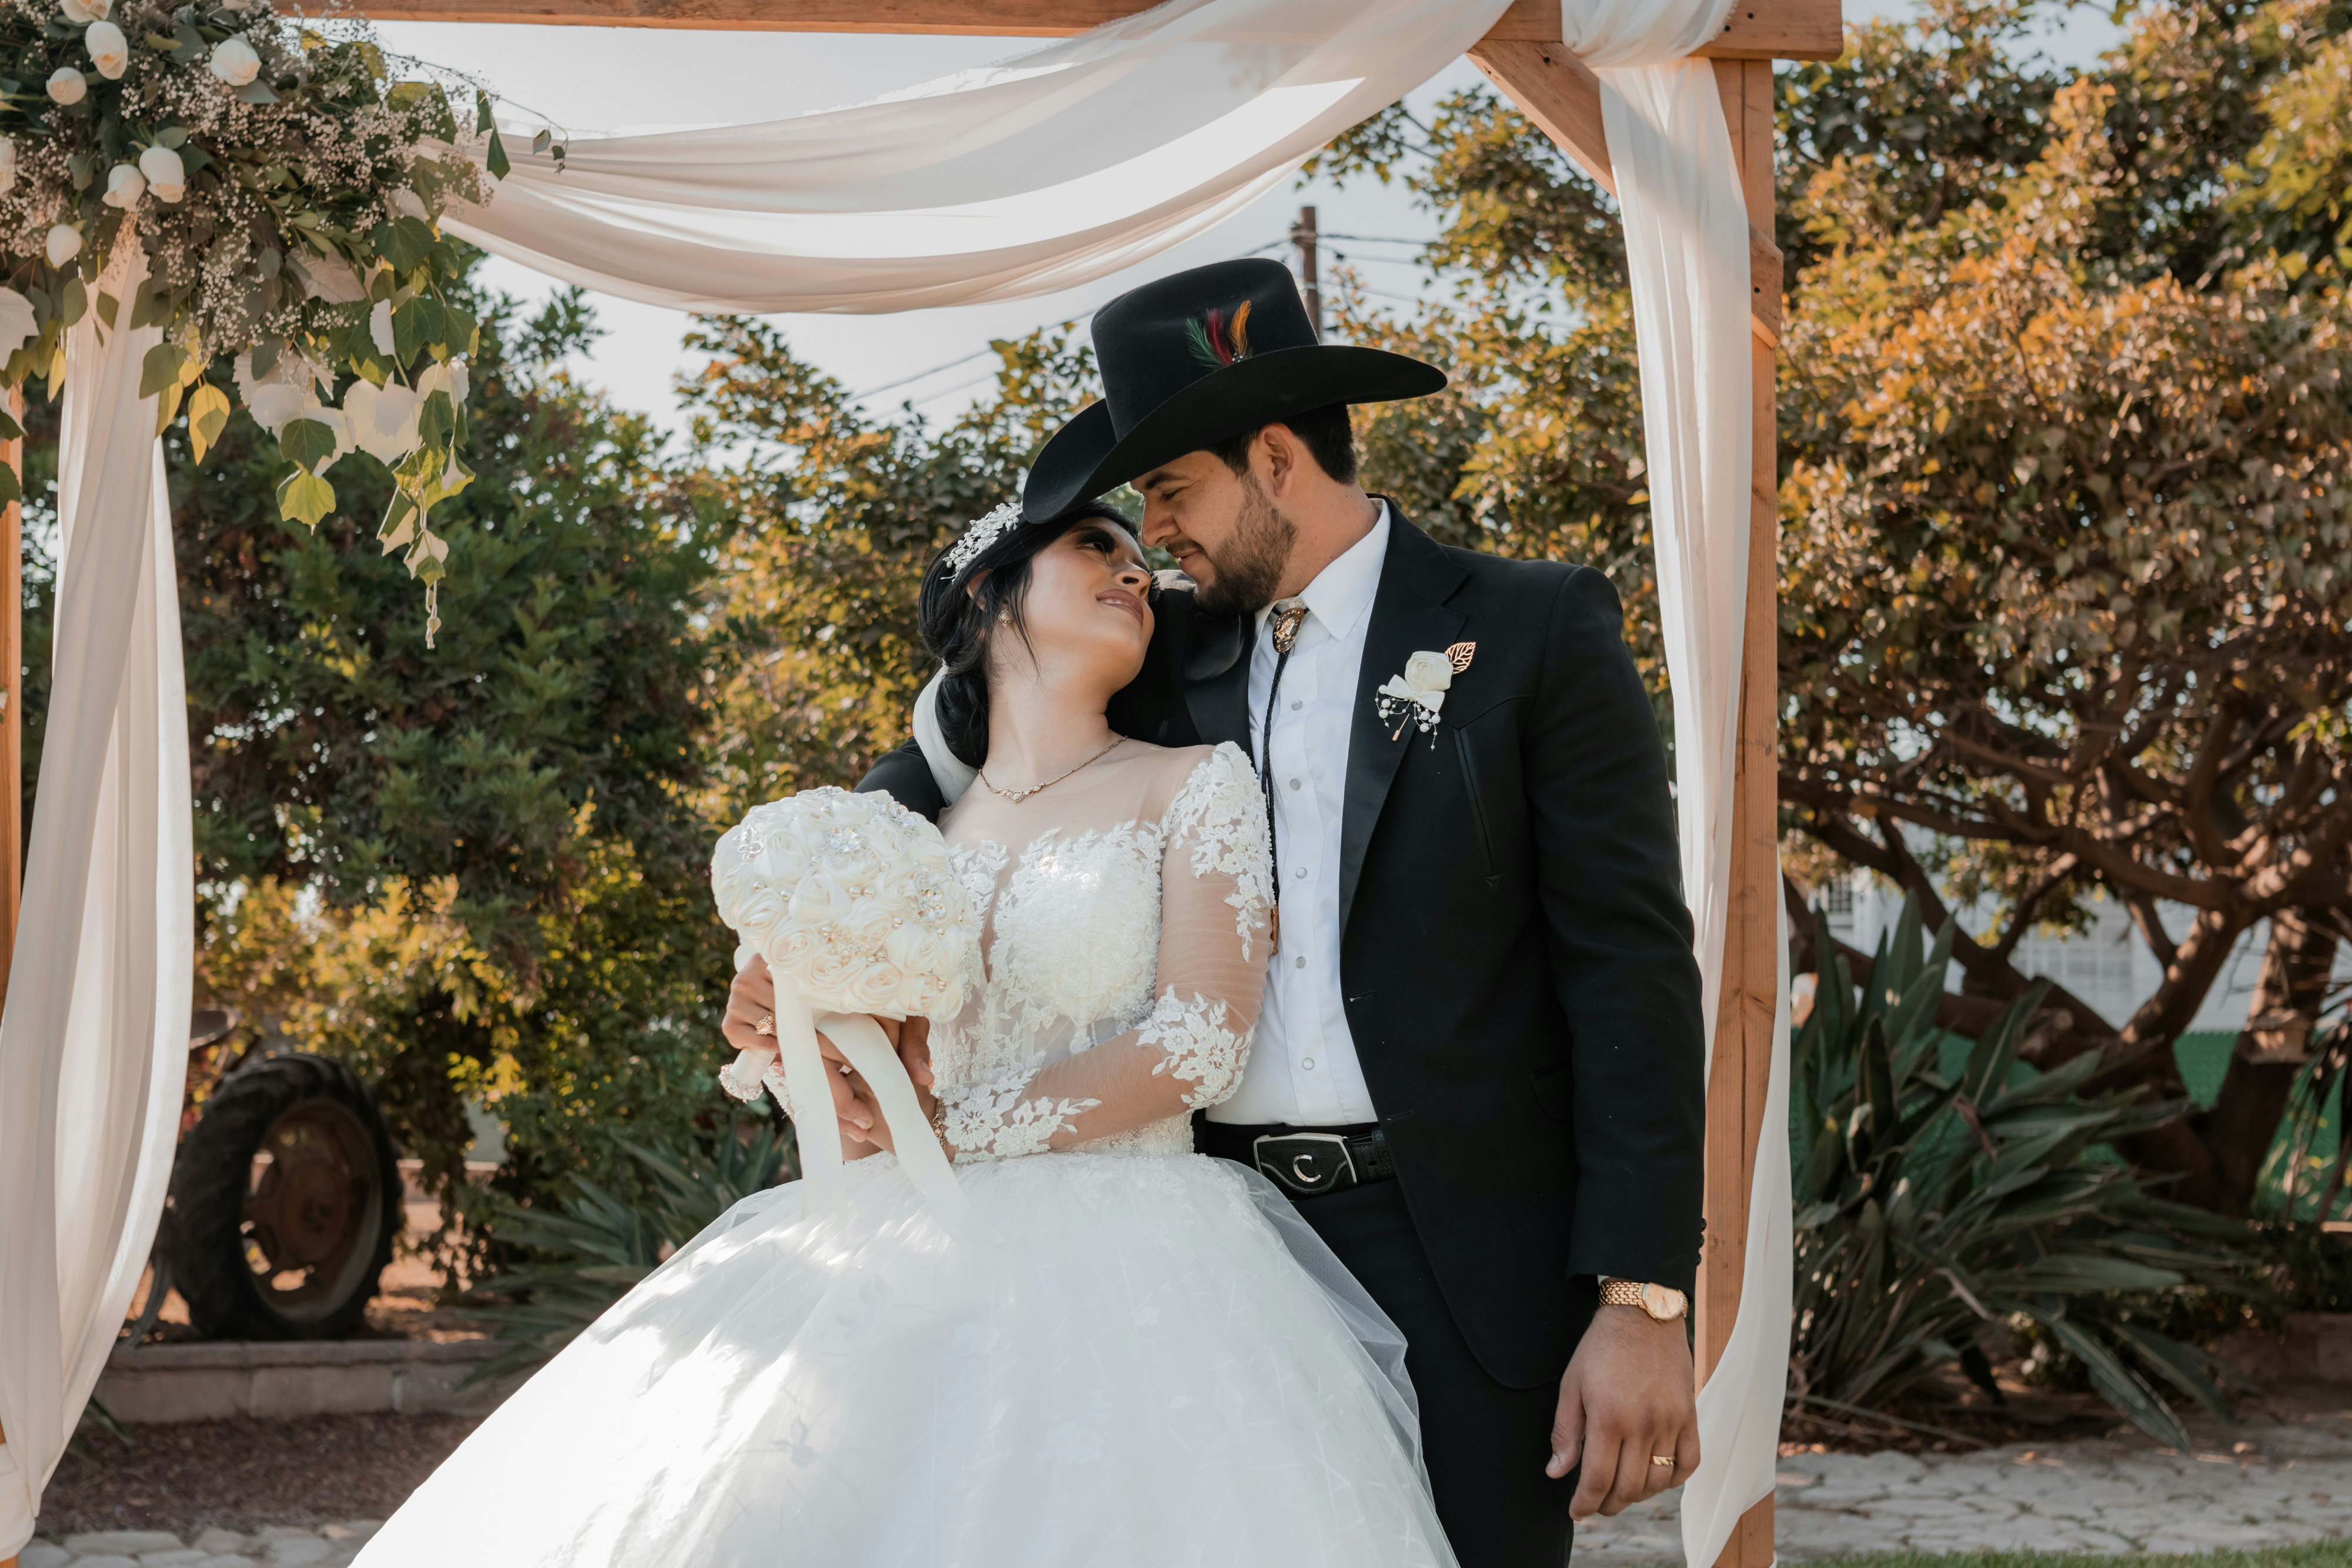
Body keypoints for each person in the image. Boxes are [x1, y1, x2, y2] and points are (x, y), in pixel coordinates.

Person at [352, 500, 1459, 1568]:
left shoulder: (1191, 785)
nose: (1134, 570)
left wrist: (951, 1130)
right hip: (895, 1253)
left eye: (1139, 556)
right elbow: (839, 1081)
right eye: (1091, 544)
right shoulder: (899, 836)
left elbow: (1197, 1045)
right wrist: (791, 1046)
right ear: (989, 591)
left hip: (1142, 1267)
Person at [858, 258, 1708, 1567]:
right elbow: (964, 746)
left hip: (1465, 1253)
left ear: (1271, 456)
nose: (1156, 537)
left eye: (1172, 492)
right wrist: (823, 887)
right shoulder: (1165, 659)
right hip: (1212, 1245)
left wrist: (1643, 1296)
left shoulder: (1533, 627)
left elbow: (1631, 970)